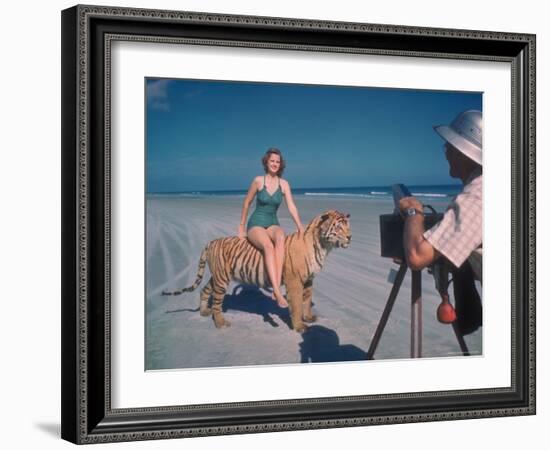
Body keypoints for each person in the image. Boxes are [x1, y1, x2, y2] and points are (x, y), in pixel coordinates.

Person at [398, 109, 483, 283]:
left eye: (449, 147)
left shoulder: (476, 198)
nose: (445, 154)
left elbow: (416, 256)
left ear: (462, 153)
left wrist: (413, 212)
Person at [239, 148, 305, 308]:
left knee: (281, 237)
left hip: (272, 222)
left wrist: (300, 226)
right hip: (256, 223)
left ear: (280, 164)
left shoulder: (284, 184)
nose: (275, 164)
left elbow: (291, 207)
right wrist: (241, 226)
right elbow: (247, 202)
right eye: (272, 161)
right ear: (266, 162)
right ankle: (276, 290)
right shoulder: (258, 181)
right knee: (268, 246)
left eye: (277, 161)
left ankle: (277, 281)